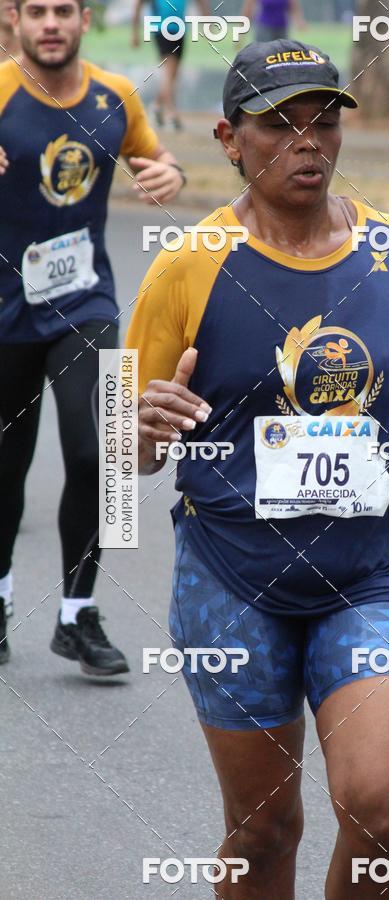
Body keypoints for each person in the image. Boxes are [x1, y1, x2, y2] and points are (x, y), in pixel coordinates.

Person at [127, 39, 389, 898]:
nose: (306, 140)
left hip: (374, 573)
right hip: (233, 580)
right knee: (265, 829)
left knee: (385, 813)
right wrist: (143, 427)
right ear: (228, 138)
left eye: (322, 119)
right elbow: (123, 448)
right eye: (278, 124)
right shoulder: (187, 266)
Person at [0, 0, 187, 671]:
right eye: (38, 11)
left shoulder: (115, 98)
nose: (51, 24)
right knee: (7, 468)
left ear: (84, 21)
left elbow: (159, 158)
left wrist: (172, 173)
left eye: (64, 11)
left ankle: (77, 615)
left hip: (84, 303)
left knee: (97, 452)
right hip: (5, 313)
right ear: (16, 20)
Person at [131, 0, 210, 132]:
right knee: (169, 71)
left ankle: (156, 106)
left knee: (173, 74)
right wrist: (135, 32)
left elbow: (201, 2)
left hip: (180, 29)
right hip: (162, 28)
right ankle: (172, 114)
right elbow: (139, 4)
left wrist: (206, 21)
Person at [241, 0, 305, 42]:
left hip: (282, 29)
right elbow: (248, 10)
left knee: (282, 56)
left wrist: (299, 21)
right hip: (264, 28)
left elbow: (294, 7)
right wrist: (241, 34)